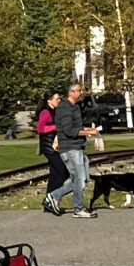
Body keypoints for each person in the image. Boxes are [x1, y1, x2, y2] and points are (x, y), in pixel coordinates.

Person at [45, 83, 98, 217]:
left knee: (82, 179)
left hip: (77, 147)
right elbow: (68, 130)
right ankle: (78, 209)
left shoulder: (74, 107)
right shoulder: (65, 108)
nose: (81, 93)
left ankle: (53, 196)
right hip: (70, 148)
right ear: (71, 92)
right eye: (78, 90)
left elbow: (74, 127)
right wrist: (88, 132)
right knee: (79, 180)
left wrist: (88, 129)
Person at [34, 88, 64, 200]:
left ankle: (49, 199)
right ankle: (53, 197)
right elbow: (40, 129)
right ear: (49, 100)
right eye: (57, 99)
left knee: (55, 173)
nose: (59, 101)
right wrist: (55, 127)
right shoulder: (45, 112)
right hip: (48, 147)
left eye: (60, 99)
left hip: (54, 146)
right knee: (62, 172)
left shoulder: (54, 111)